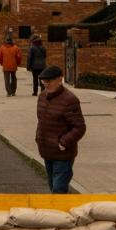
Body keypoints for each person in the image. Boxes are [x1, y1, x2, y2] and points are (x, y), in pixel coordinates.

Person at [34, 65, 86, 194]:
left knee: (58, 190)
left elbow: (79, 127)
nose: (46, 84)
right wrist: (38, 137)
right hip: (47, 150)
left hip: (63, 154)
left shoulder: (69, 100)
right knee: (53, 186)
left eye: (49, 81)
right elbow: (41, 121)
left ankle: (60, 212)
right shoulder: (42, 97)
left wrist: (64, 142)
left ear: (60, 79)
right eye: (44, 81)